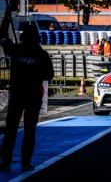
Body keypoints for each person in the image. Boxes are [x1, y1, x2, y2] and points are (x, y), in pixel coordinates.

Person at [0, 10, 54, 171]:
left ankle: (5, 161)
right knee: (30, 131)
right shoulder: (42, 55)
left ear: (23, 37)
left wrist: (7, 19)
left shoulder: (15, 50)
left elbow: (2, 36)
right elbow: (49, 75)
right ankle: (25, 162)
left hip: (17, 95)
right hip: (33, 97)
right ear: (37, 38)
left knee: (11, 130)